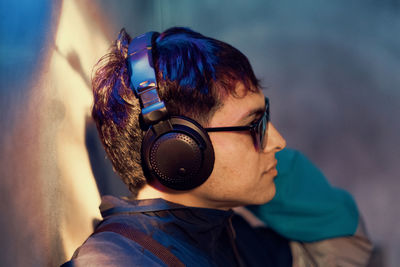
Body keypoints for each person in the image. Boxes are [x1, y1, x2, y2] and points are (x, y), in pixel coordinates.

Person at [62, 27, 372, 266]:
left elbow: (343, 249)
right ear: (180, 150)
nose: (279, 143)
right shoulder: (118, 260)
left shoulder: (228, 233)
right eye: (255, 125)